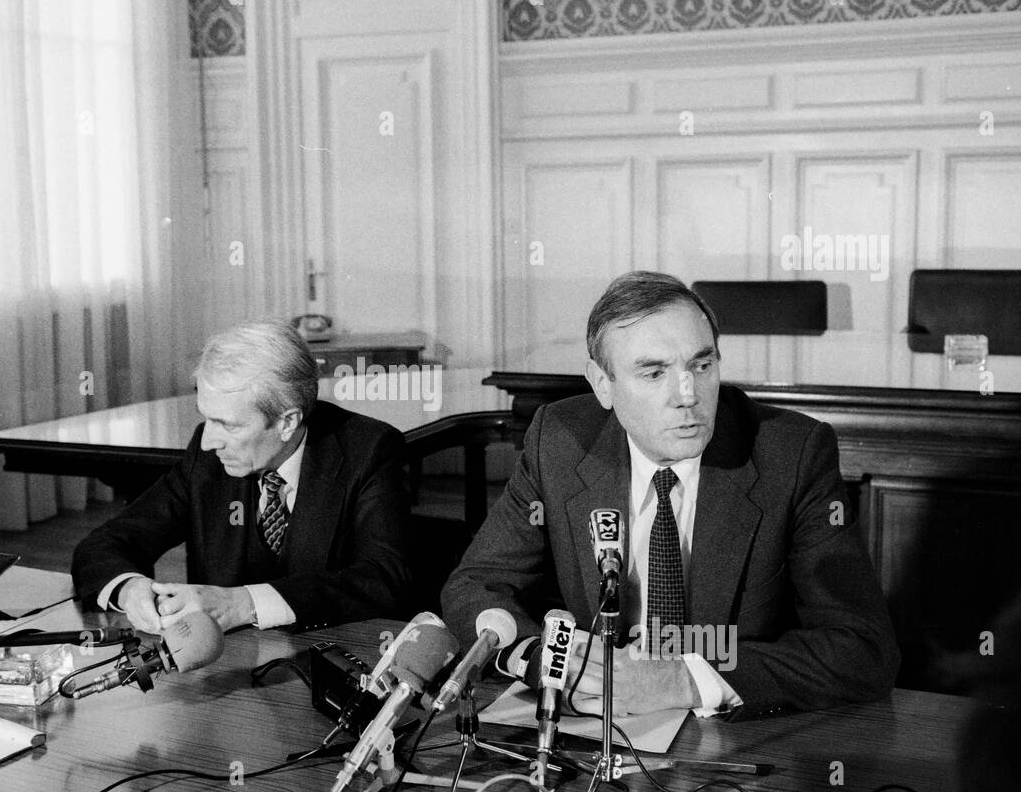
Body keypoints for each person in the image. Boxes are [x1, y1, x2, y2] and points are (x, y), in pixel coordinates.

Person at [441, 272, 899, 720]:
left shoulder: (791, 454)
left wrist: (682, 678)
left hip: (735, 742)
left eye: (702, 365)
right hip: (595, 730)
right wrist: (547, 662)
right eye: (654, 372)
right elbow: (475, 585)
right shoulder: (558, 440)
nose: (688, 396)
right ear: (603, 385)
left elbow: (863, 648)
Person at [72, 320, 412, 636]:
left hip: (330, 653)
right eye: (207, 419)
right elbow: (106, 544)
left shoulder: (368, 450)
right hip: (226, 665)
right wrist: (129, 589)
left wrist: (243, 604)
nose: (208, 441)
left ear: (287, 422)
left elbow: (383, 579)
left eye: (228, 425)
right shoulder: (207, 457)